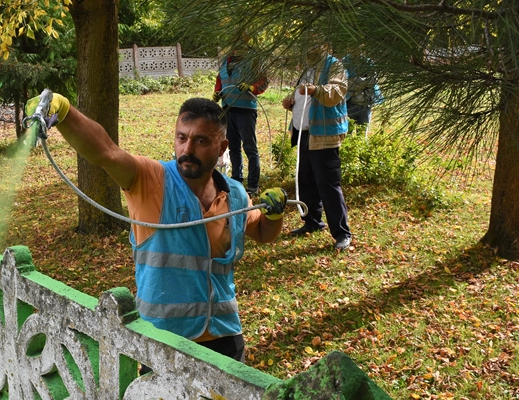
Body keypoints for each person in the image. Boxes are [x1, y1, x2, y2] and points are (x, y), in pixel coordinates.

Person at [26, 95, 287, 363]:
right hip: (163, 341)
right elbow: (106, 151)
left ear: (222, 147)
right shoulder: (151, 180)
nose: (187, 149)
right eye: (181, 137)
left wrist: (275, 214)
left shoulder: (234, 195)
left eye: (201, 141)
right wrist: (65, 111)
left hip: (225, 338)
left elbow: (263, 232)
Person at [282, 44, 353, 250]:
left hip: (324, 135)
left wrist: (315, 89)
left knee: (328, 184)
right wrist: (291, 102)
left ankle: (342, 233)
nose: (309, 47)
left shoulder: (334, 65)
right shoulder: (308, 67)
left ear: (325, 45)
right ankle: (312, 221)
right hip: (305, 133)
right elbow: (302, 97)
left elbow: (337, 92)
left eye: (314, 42)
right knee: (306, 180)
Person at [213, 49, 269, 195]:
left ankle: (253, 186)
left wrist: (252, 88)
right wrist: (217, 92)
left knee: (250, 147)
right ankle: (236, 182)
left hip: (246, 109)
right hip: (228, 108)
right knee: (233, 147)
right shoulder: (226, 60)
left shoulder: (253, 59)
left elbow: (264, 81)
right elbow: (220, 80)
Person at [342, 53, 383, 129]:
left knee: (362, 132)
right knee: (347, 132)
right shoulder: (345, 62)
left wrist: (355, 80)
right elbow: (345, 83)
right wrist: (364, 82)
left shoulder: (368, 62)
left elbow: (373, 80)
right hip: (350, 103)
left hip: (366, 103)